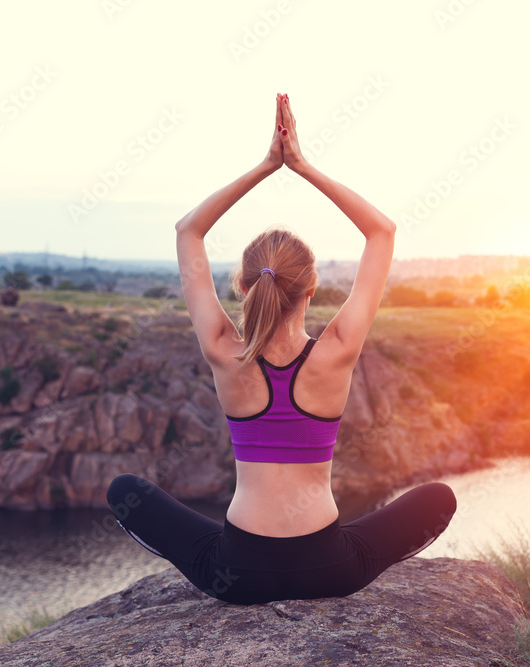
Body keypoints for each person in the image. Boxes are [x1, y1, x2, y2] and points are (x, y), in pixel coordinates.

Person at [106, 93, 457, 605]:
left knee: (124, 490)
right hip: (332, 568)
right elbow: (381, 231)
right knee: (438, 498)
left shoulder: (225, 351)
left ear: (244, 289)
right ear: (312, 290)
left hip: (238, 572)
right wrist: (301, 165)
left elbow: (188, 230)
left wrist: (267, 165)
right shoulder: (336, 350)